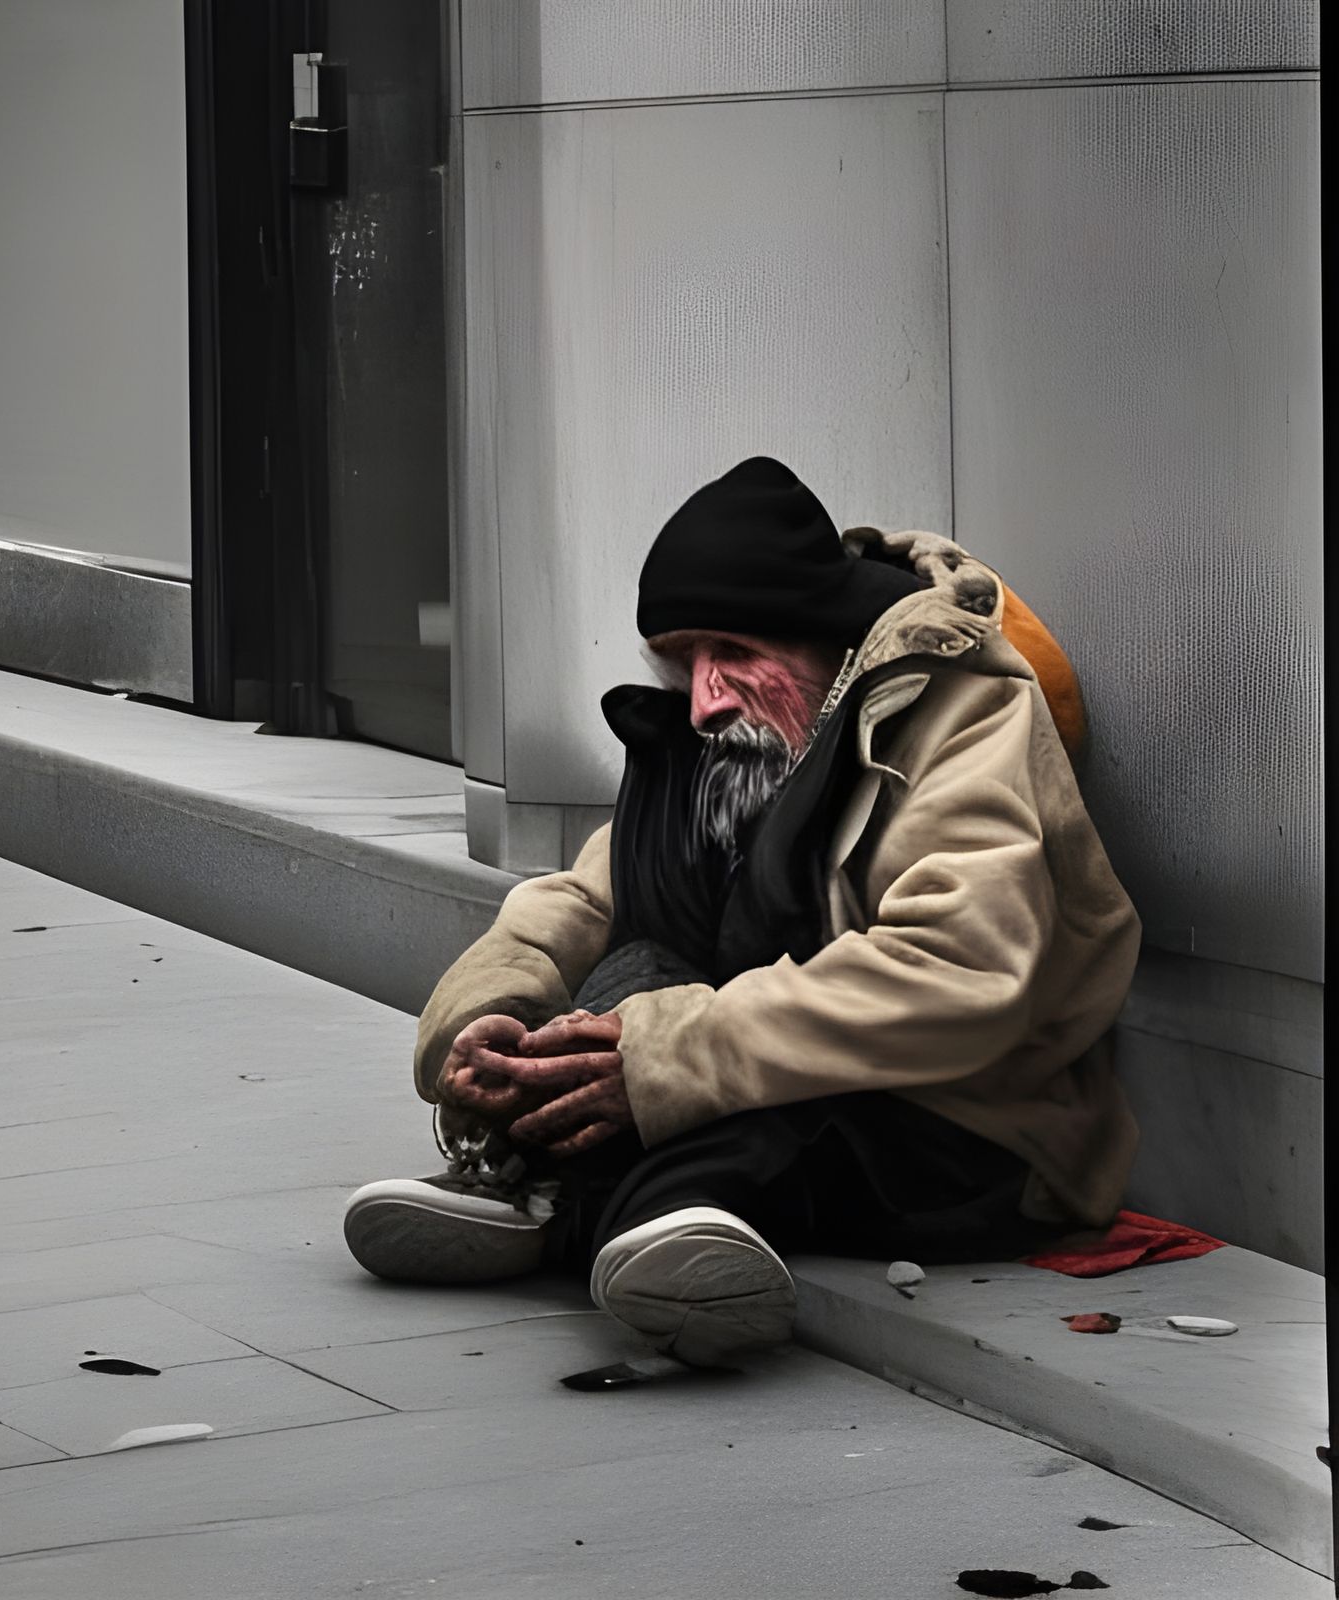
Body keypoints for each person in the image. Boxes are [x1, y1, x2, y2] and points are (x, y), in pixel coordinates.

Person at [344, 457, 1140, 1368]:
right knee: (634, 977)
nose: (705, 698)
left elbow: (962, 969)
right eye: (683, 663)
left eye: (732, 654)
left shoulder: (960, 707)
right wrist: (489, 1027)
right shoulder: (729, 742)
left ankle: (570, 1205)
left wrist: (661, 1054)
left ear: (823, 641)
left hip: (964, 1126)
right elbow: (580, 902)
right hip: (776, 1076)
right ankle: (593, 1203)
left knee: (696, 1062)